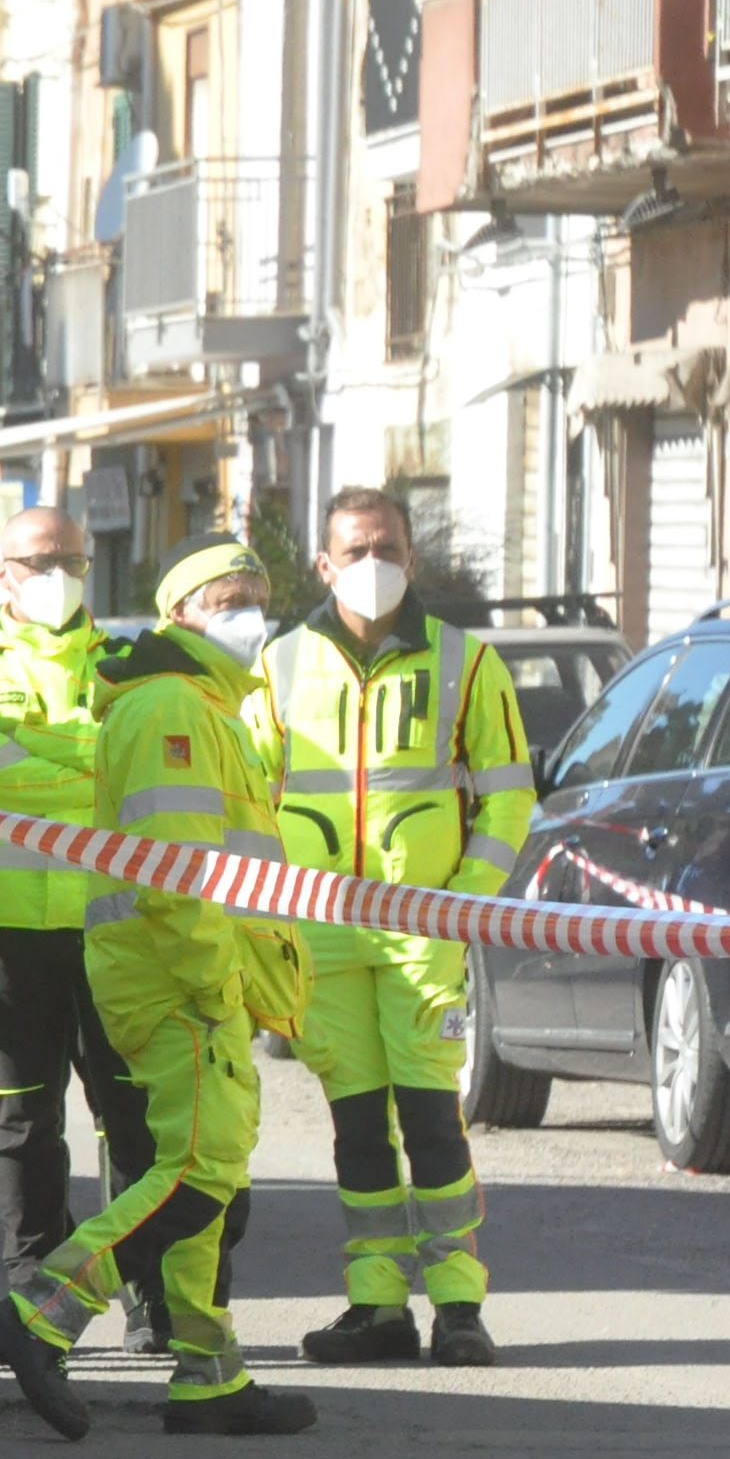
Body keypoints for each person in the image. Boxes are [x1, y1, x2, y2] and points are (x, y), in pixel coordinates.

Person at [0, 536, 317, 1438]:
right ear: (180, 614)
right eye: (226, 597)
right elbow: (177, 871)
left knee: (203, 1168)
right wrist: (212, 982)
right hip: (177, 977)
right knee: (198, 1172)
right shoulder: (173, 705)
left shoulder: (206, 704)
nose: (249, 612)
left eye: (256, 594)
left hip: (181, 973)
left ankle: (208, 1374)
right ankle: (42, 1316)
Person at [255, 487, 535, 1368]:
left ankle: (457, 1306)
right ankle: (377, 1306)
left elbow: (510, 790)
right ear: (323, 563)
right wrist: (266, 913)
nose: (372, 562)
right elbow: (248, 794)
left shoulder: (466, 661)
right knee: (357, 1123)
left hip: (423, 930)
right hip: (323, 930)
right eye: (355, 548)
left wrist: (467, 894)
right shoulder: (279, 664)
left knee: (432, 1117)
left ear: (410, 559)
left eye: (387, 547)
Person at [0, 504, 155, 1327]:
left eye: (71, 560)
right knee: (25, 1118)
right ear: (1, 574)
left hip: (115, 924)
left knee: (130, 1116)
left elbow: (153, 767)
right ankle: (36, 1285)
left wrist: (42, 760)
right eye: (37, 560)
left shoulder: (131, 669)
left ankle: (147, 1293)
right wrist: (97, 774)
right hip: (4, 928)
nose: (55, 575)